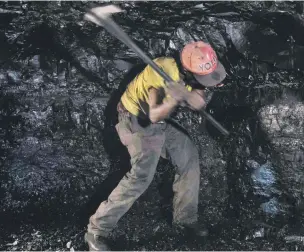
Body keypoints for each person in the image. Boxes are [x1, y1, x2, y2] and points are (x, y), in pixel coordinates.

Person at [84, 41, 227, 251]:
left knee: (188, 158)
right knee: (141, 176)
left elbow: (199, 94)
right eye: (201, 78)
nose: (205, 82)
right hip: (136, 120)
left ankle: (185, 220)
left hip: (161, 123)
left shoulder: (191, 74)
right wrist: (175, 98)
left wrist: (196, 97)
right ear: (187, 71)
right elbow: (155, 114)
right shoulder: (161, 71)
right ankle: (96, 231)